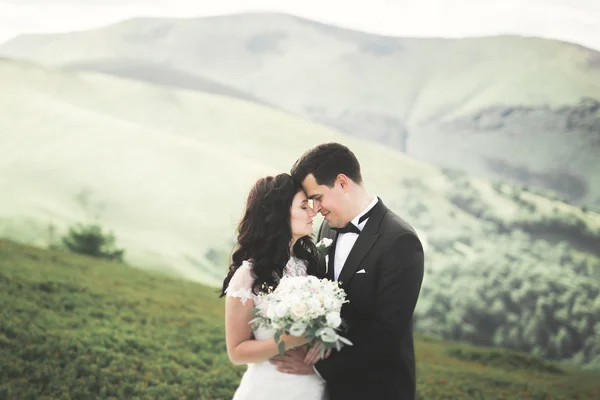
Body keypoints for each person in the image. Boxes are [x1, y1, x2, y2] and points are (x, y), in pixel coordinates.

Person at [270, 142, 425, 400]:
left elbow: (387, 331)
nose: (316, 210)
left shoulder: (400, 240)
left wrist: (316, 367)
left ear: (342, 182)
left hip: (378, 389)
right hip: (330, 390)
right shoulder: (327, 229)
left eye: (318, 198)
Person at [219, 173, 328, 400]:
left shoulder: (309, 265)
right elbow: (237, 352)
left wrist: (322, 340)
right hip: (270, 389)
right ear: (279, 216)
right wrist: (290, 340)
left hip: (312, 388)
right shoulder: (247, 276)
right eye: (303, 207)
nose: (313, 212)